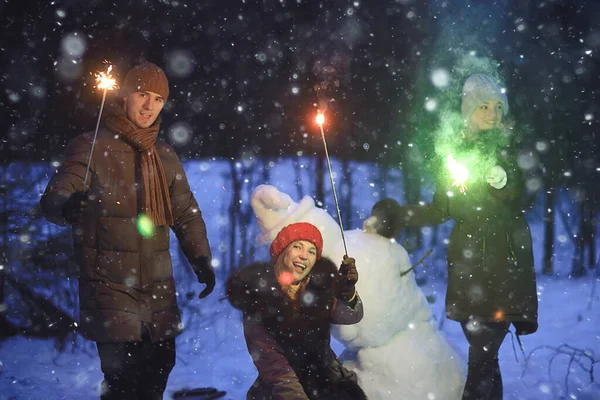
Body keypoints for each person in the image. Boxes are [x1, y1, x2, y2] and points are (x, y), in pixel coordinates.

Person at [40, 62, 215, 399]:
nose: (149, 106)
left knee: (159, 371)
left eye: (159, 99)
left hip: (158, 292)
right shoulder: (91, 147)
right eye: (143, 95)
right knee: (124, 385)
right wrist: (65, 206)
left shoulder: (164, 156)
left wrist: (201, 257)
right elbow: (56, 195)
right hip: (110, 290)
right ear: (125, 97)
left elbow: (186, 214)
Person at [364, 74, 538, 400]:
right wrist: (393, 217)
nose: (492, 113)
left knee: (482, 357)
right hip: (467, 271)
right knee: (484, 359)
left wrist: (504, 180)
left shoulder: (511, 150)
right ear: (468, 112)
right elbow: (438, 210)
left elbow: (523, 195)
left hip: (505, 270)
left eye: (498, 106)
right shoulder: (455, 157)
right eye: (484, 106)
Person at [226, 222, 368, 400]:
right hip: (282, 390)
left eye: (312, 251)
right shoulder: (259, 301)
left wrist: (346, 292)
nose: (304, 256)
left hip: (327, 380)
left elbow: (350, 315)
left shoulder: (317, 291)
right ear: (282, 252)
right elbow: (276, 369)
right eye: (297, 247)